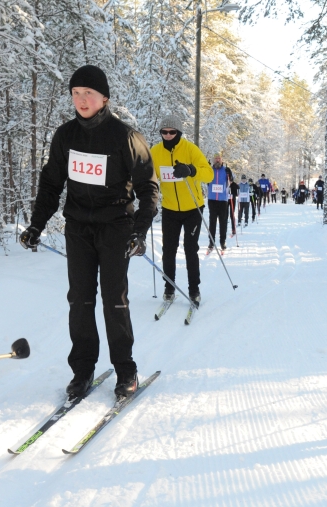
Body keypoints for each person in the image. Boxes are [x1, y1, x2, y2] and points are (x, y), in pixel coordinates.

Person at [19, 65, 159, 399]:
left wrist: (139, 232)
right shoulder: (66, 136)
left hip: (116, 227)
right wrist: (36, 224)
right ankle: (82, 372)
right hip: (79, 228)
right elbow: (52, 184)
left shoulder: (125, 136)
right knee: (80, 300)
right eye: (76, 93)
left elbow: (148, 190)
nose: (81, 100)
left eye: (89, 94)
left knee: (115, 300)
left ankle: (126, 370)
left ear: (104, 97)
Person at [151, 114, 213, 307]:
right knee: (168, 250)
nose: (168, 135)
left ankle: (194, 290)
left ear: (179, 132)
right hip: (170, 209)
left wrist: (191, 170)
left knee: (190, 248)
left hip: (193, 208)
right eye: (164, 132)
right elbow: (150, 179)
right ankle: (169, 288)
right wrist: (150, 201)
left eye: (172, 132)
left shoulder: (190, 149)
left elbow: (208, 174)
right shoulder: (155, 152)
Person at [206, 153, 233, 251]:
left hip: (223, 200)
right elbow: (205, 179)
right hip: (212, 199)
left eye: (219, 158)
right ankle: (211, 242)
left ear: (222, 160)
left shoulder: (225, 170)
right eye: (216, 158)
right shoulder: (210, 169)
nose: (217, 160)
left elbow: (231, 181)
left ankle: (222, 241)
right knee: (212, 222)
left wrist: (230, 174)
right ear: (213, 160)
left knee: (223, 222)